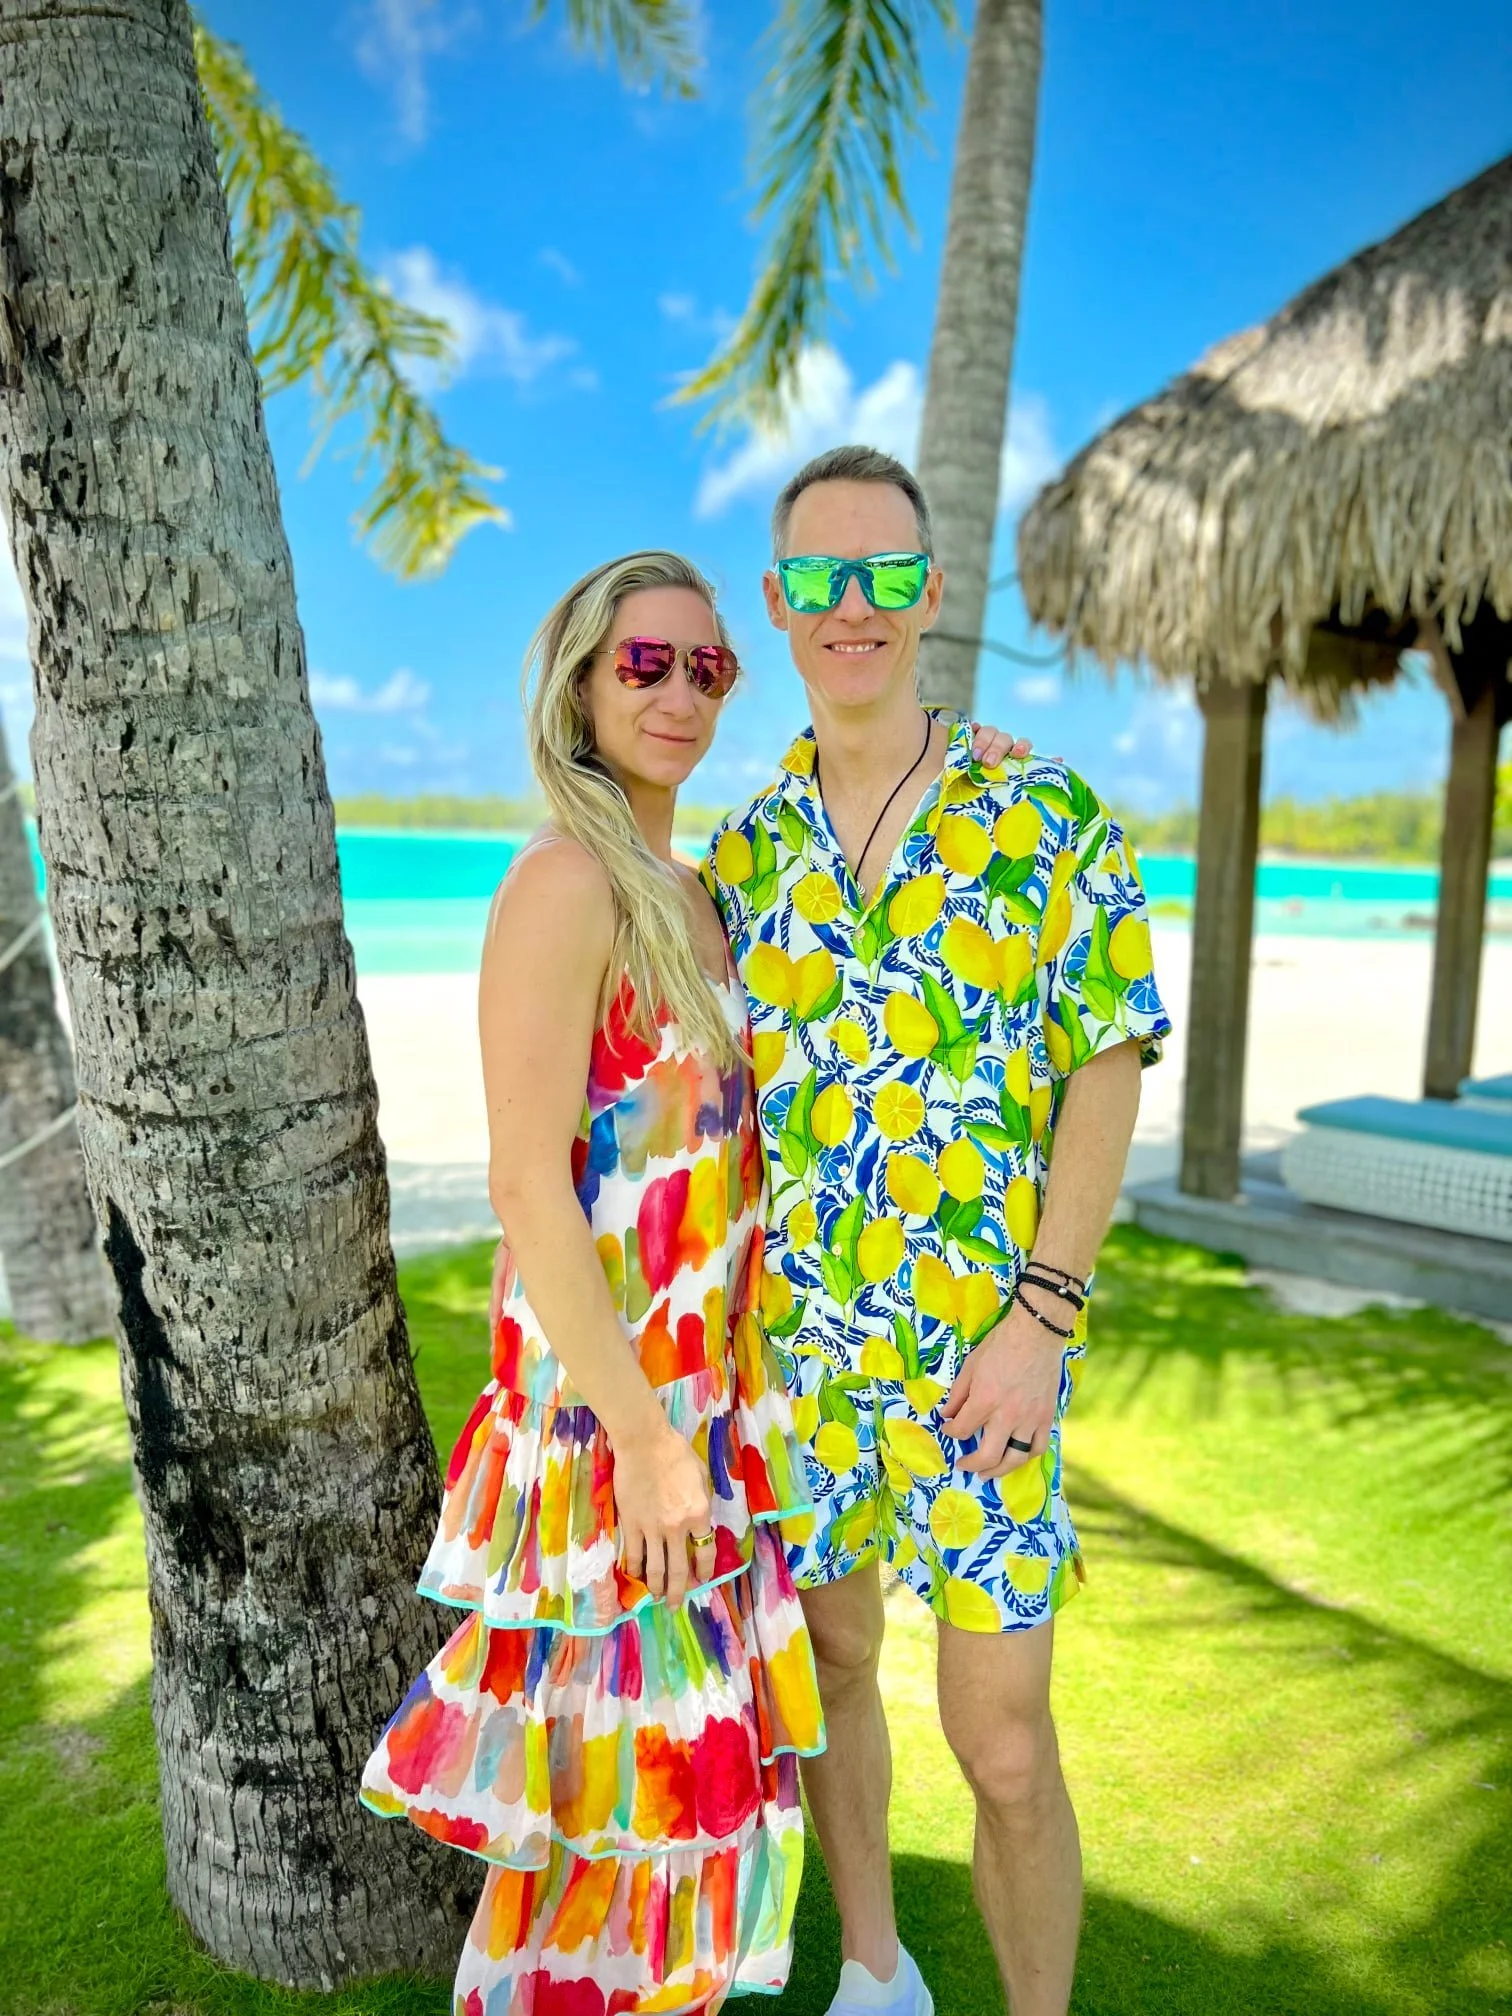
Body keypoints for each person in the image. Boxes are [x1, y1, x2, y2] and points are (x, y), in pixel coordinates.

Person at [702, 446, 1172, 2016]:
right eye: (823, 578)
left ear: (934, 592)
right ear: (777, 603)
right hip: (804, 1371)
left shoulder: (1045, 810)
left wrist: (1045, 1318)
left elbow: (1104, 1065)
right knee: (833, 1681)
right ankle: (878, 1972)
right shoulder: (743, 857)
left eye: (888, 575)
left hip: (989, 1372)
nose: (856, 606)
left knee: (1008, 1744)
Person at [360, 551, 829, 2016]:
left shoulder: (691, 895)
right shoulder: (566, 883)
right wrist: (641, 1442)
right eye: (648, 663)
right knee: (611, 1836)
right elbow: (523, 1189)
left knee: (677, 1823)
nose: (683, 690)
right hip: (609, 1426)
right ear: (579, 681)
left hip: (696, 1418)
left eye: (709, 667)